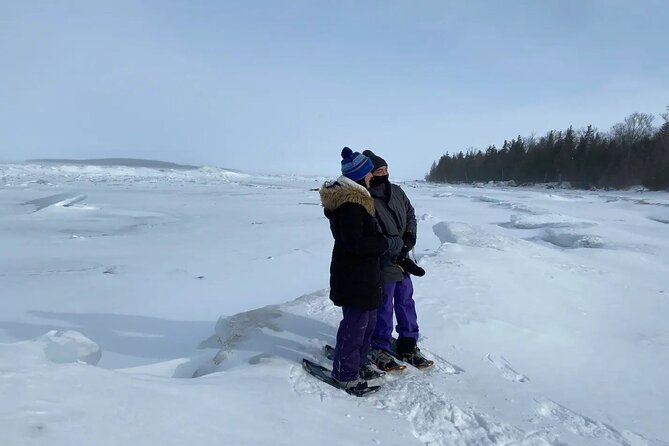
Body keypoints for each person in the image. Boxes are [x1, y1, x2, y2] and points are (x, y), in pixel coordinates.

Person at [319, 147, 403, 390]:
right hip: (353, 278)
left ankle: (359, 362)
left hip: (366, 276)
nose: (372, 177)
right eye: (368, 173)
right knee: (355, 327)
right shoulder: (351, 206)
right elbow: (354, 243)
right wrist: (385, 243)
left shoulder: (359, 201)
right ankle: (345, 373)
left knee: (369, 324)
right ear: (359, 175)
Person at [363, 149, 433, 370]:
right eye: (379, 170)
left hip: (403, 260)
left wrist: (410, 237)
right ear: (371, 174)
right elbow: (372, 232)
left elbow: (410, 214)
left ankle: (408, 343)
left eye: (386, 169)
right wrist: (395, 249)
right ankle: (379, 345)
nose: (384, 173)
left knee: (406, 301)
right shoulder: (366, 198)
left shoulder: (397, 191)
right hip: (384, 261)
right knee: (384, 306)